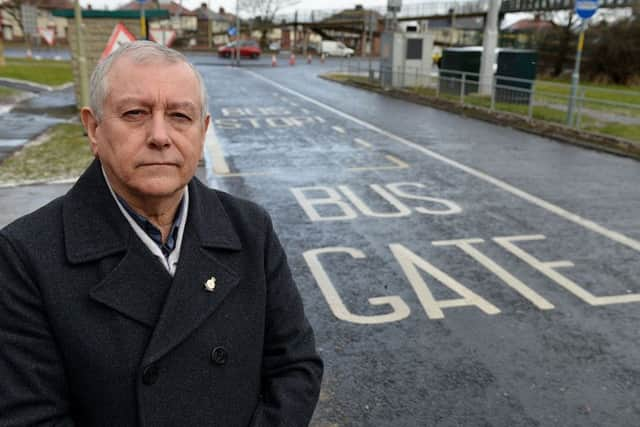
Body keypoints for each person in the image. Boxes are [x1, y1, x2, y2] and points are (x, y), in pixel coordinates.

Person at [0, 41, 323, 426]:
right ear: (94, 129)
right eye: (135, 113)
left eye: (180, 116)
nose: (160, 135)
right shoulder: (26, 256)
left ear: (202, 132)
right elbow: (31, 416)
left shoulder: (249, 228)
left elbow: (296, 366)